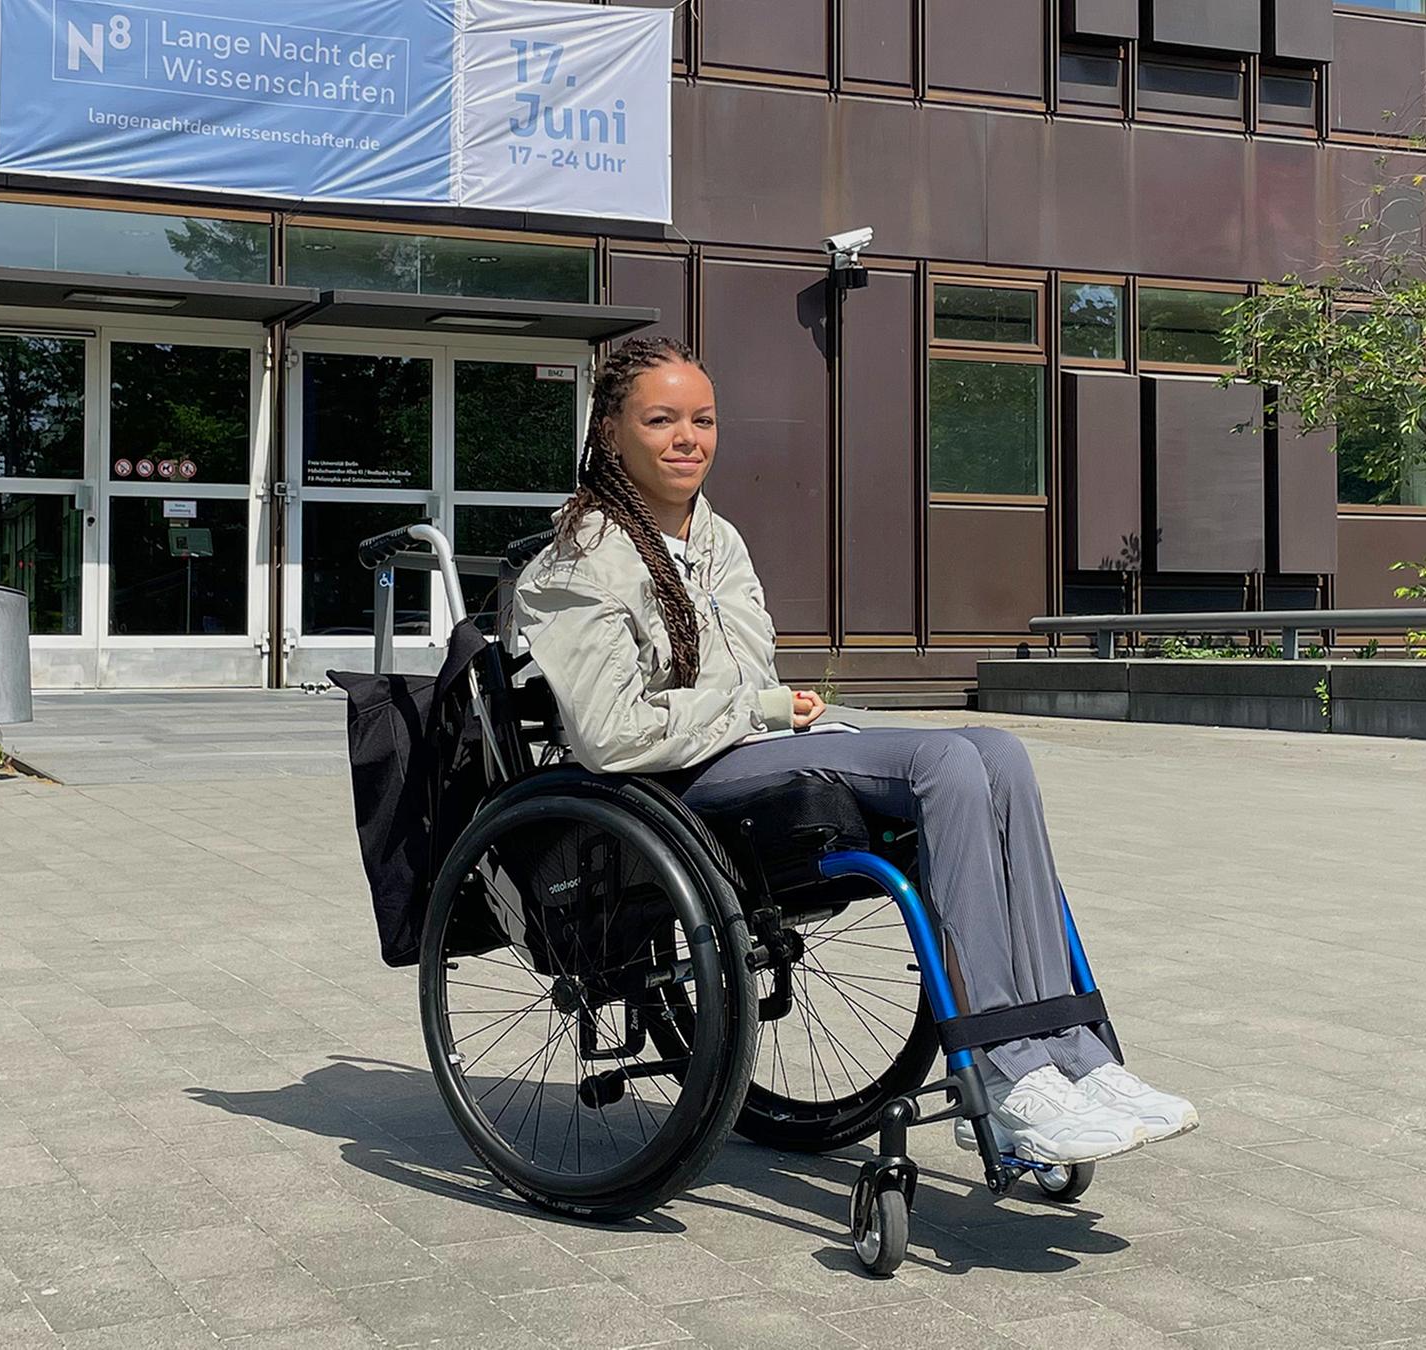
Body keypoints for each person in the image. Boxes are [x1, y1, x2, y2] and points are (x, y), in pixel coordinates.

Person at [512, 336, 1197, 1165]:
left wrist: (771, 708)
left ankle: (1076, 1052)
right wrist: (759, 708)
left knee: (998, 751)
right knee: (945, 764)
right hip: (676, 785)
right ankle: (1006, 1068)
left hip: (750, 747)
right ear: (611, 431)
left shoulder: (717, 540)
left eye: (704, 420)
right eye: (661, 420)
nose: (688, 438)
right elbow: (613, 733)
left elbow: (746, 677)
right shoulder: (577, 563)